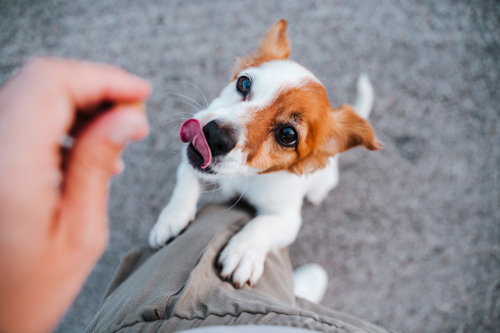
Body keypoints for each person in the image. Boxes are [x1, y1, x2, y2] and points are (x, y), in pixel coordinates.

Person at [0, 58, 394, 333]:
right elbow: (191, 167)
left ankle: (284, 299)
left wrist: (255, 239)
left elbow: (286, 219)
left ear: (312, 152)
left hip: (296, 184)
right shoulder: (222, 136)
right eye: (245, 86)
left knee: (321, 188)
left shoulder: (301, 171)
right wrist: (182, 201)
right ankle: (285, 304)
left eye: (286, 134)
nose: (225, 130)